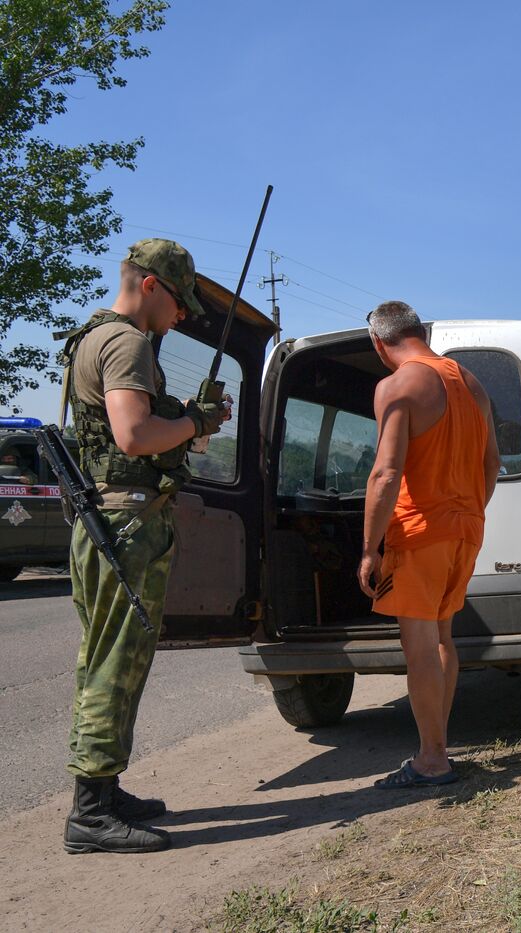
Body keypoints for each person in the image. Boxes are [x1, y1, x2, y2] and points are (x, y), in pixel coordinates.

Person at [58, 239, 231, 853]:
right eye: (180, 302)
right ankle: (90, 814)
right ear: (151, 285)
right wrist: (198, 423)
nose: (182, 315)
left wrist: (181, 415)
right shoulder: (127, 341)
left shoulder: (94, 337)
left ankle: (103, 789)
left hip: (113, 522)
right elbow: (134, 435)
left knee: (111, 659)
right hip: (125, 524)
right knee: (115, 662)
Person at [357, 301, 499, 788]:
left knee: (418, 647)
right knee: (442, 639)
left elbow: (386, 472)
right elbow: (492, 465)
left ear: (380, 343)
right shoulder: (470, 382)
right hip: (465, 530)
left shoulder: (397, 385)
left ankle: (432, 760)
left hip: (418, 534)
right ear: (421, 331)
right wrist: (470, 511)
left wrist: (369, 548)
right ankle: (436, 748)